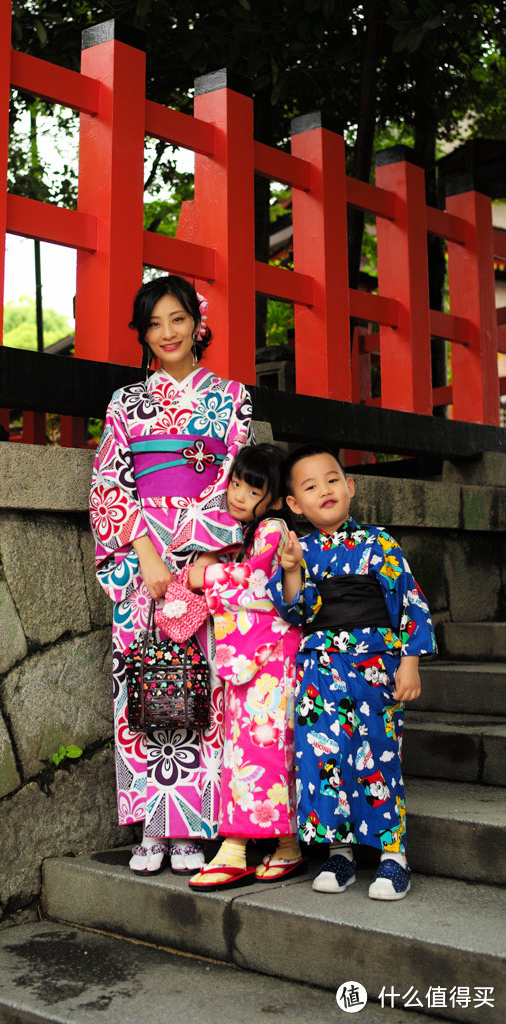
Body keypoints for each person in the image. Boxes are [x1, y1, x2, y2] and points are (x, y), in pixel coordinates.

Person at [90, 274, 254, 875]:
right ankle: (150, 829)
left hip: (207, 562)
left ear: (198, 322)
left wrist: (205, 557)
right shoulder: (124, 404)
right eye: (154, 324)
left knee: (198, 689)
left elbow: (241, 483)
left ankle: (191, 830)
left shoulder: (234, 397)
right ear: (143, 334)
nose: (167, 333)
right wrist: (146, 554)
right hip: (142, 562)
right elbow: (109, 482)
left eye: (177, 319)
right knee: (145, 687)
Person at [267, 444, 437, 901]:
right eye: (309, 486)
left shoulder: (379, 543)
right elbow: (296, 609)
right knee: (322, 759)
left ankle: (393, 855)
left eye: (332, 479)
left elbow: (410, 603)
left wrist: (410, 661)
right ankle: (338, 851)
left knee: (378, 755)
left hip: (374, 665)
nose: (324, 489)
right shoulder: (299, 551)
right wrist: (288, 571)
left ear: (350, 487)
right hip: (320, 667)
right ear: (293, 504)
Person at [184, 443, 306, 891]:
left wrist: (205, 575)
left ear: (274, 499)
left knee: (261, 750)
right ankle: (285, 844)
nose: (237, 494)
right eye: (235, 483)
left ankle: (237, 848)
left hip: (269, 658)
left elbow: (254, 582)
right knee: (260, 750)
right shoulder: (257, 530)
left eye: (251, 488)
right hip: (260, 656)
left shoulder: (272, 528)